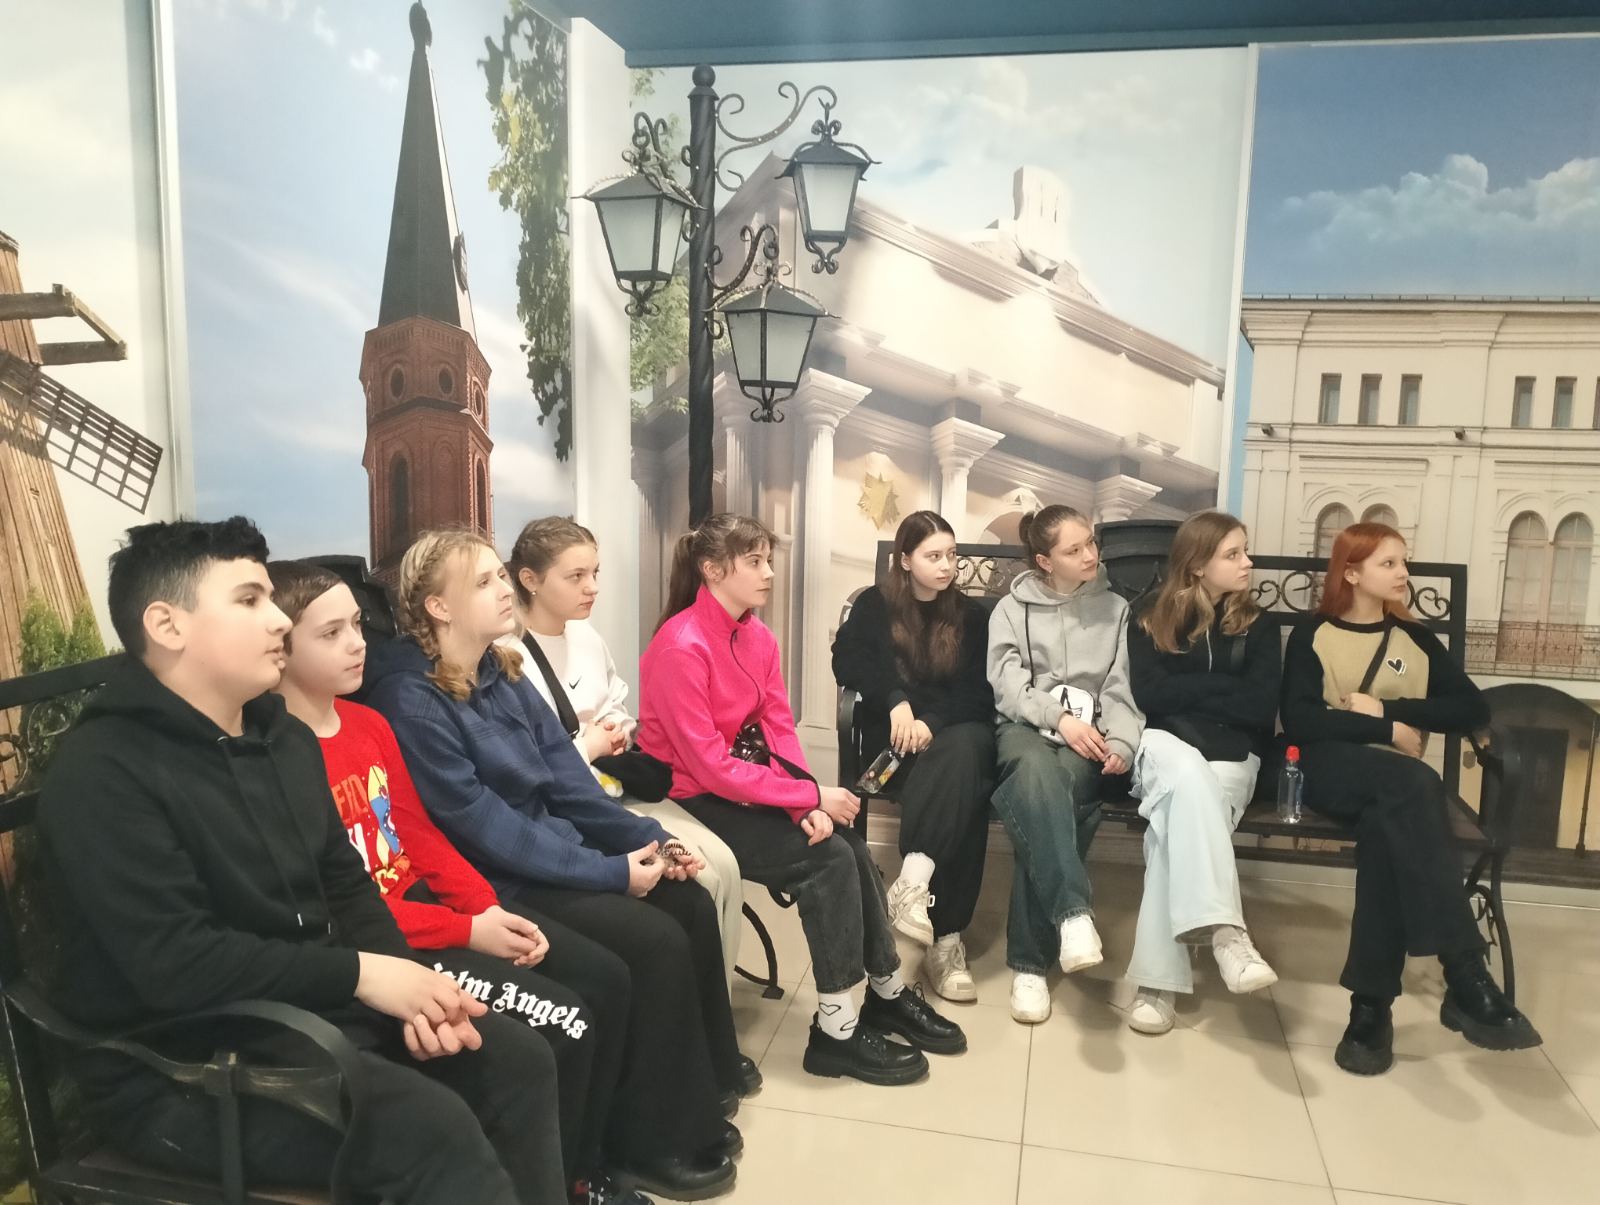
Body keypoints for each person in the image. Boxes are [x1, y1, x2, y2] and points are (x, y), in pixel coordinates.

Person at [40, 517, 566, 1205]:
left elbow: (344, 883)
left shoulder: (279, 735)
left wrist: (406, 986)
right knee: (429, 1130)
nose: (277, 622)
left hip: (306, 1012)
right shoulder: (104, 772)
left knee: (515, 1061)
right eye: (249, 599)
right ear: (167, 625)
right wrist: (363, 975)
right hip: (182, 1066)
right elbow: (177, 964)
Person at [362, 528, 744, 1201]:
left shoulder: (501, 669)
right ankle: (651, 1140)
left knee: (686, 900)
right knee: (651, 941)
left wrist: (649, 837)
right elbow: (487, 829)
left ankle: (699, 1094)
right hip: (500, 879)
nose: (503, 588)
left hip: (548, 851)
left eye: (499, 575)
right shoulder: (411, 699)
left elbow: (569, 781)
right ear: (438, 607)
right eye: (484, 581)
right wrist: (612, 872)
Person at [266, 559, 650, 1205]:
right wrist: (466, 929)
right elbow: (348, 904)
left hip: (435, 912)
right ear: (281, 647)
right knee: (563, 1021)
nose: (358, 643)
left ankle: (582, 1170)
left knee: (601, 977)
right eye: (331, 634)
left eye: (357, 625)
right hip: (397, 939)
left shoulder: (367, 724)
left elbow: (418, 836)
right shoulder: (282, 752)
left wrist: (485, 908)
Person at [637, 513, 966, 1087]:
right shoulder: (679, 647)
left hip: (738, 788)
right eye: (755, 562)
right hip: (689, 802)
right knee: (828, 861)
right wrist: (809, 794)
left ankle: (886, 994)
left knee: (850, 845)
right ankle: (835, 1034)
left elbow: (777, 728)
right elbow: (708, 767)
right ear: (712, 570)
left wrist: (804, 804)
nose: (769, 573)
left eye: (769, 560)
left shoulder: (757, 636)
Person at [1282, 521, 1541, 1075]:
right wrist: (1384, 732)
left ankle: (1370, 1012)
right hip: (1330, 769)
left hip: (1395, 790)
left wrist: (1388, 711)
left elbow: (1471, 709)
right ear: (1352, 573)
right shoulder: (1313, 635)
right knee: (1416, 784)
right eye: (1389, 563)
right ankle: (1463, 970)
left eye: (1404, 562)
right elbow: (1301, 720)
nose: (1404, 573)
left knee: (1389, 828)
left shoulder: (1416, 640)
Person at [502, 517, 744, 987]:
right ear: (530, 579)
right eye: (576, 576)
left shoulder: (587, 637)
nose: (592, 587)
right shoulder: (508, 655)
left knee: (725, 866)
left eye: (595, 573)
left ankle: (716, 1002)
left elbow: (617, 703)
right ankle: (690, 998)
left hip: (618, 787)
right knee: (701, 879)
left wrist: (614, 730)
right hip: (573, 804)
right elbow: (531, 764)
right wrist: (587, 745)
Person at [1122, 512, 1279, 1036]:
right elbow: (1150, 695)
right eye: (1233, 554)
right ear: (1196, 565)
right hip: (1165, 747)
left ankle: (1157, 984)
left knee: (1170, 829)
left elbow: (1260, 707)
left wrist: (1188, 693)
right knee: (1187, 773)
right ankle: (1228, 935)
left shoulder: (1260, 625)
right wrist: (1223, 690)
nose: (1247, 562)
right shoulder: (1149, 616)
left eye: (1244, 550)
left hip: (1234, 755)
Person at [832, 510, 997, 1003]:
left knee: (966, 752)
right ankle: (947, 939)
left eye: (952, 555)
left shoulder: (971, 617)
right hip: (893, 749)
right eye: (934, 556)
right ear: (905, 560)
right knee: (964, 789)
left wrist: (932, 722)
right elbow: (848, 660)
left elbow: (978, 693)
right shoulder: (874, 605)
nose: (947, 566)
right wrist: (896, 701)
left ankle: (915, 886)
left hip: (948, 738)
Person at [988, 505, 1143, 1025]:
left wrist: (1121, 741)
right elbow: (1008, 687)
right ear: (1044, 560)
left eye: (1090, 543)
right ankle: (1073, 915)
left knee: (1051, 797)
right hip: (1024, 729)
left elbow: (1121, 689)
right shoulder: (1010, 611)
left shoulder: (1116, 609)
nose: (1089, 555)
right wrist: (1058, 718)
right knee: (1037, 776)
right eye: (1073, 550)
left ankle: (1030, 966)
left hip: (1089, 738)